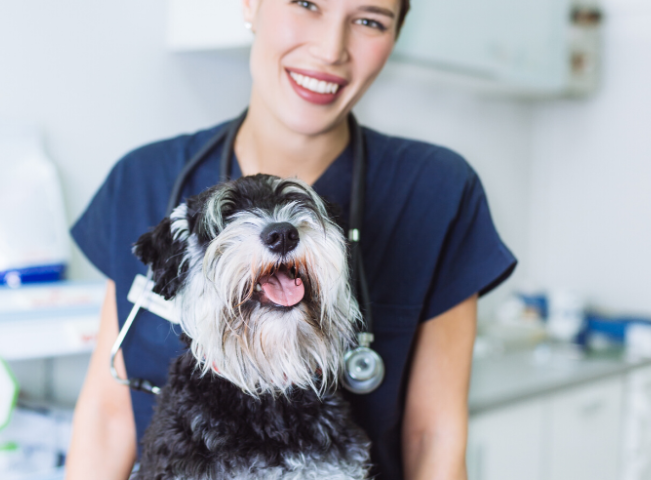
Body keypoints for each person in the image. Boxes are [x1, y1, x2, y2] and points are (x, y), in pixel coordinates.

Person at [65, 0, 516, 479]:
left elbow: (435, 438)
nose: (330, 50)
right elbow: (108, 420)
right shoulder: (144, 178)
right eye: (306, 3)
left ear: (396, 36)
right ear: (251, 6)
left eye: (369, 20)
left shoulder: (437, 190)